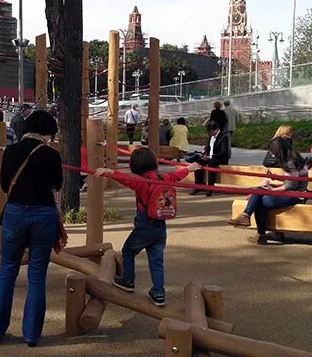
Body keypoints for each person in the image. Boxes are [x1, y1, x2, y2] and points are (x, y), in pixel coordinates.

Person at [0, 110, 64, 347]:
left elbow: (2, 185)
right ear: (48, 131)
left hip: (15, 212)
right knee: (37, 275)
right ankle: (31, 335)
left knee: (8, 271)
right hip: (43, 214)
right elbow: (58, 184)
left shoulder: (11, 151)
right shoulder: (51, 155)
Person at [94, 149, 200, 307]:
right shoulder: (164, 177)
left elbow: (125, 178)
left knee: (128, 251)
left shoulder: (141, 182)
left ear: (135, 166)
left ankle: (128, 281)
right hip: (160, 226)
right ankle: (158, 292)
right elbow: (176, 175)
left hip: (145, 226)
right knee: (156, 261)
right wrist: (188, 169)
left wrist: (109, 171)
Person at [227, 138, 309, 245]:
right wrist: (274, 178)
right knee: (259, 193)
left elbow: (290, 186)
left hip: (295, 196)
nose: (272, 155)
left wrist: (272, 190)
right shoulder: (293, 158)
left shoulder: (289, 163)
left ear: (277, 151)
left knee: (259, 200)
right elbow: (292, 179)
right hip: (296, 194)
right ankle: (249, 220)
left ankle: (255, 228)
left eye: (272, 152)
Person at [190, 120, 230, 197]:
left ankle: (210, 188)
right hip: (210, 157)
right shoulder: (210, 136)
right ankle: (198, 186)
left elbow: (223, 152)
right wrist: (203, 152)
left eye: (212, 132)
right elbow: (207, 147)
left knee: (211, 163)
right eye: (209, 133)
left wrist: (211, 157)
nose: (211, 134)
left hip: (220, 158)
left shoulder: (224, 137)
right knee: (198, 162)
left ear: (217, 129)